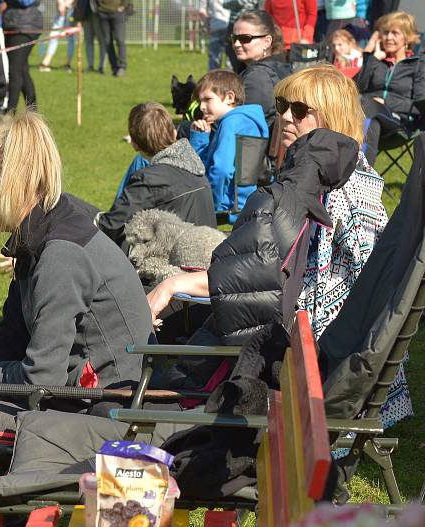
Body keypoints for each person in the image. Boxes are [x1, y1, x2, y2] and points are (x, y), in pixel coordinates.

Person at [0, 110, 154, 527]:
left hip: (115, 414)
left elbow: (39, 377)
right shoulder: (44, 230)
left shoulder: (59, 254)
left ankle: (6, 520)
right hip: (88, 396)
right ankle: (11, 512)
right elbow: (13, 329)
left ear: (14, 185)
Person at [147, 65, 389, 387]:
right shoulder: (327, 176)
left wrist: (174, 283)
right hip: (285, 336)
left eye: (300, 110)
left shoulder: (340, 191)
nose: (287, 117)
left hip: (298, 358)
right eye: (282, 106)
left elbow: (281, 284)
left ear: (332, 116)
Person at [96, 102, 216, 252]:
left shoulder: (149, 180)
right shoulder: (196, 169)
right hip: (205, 259)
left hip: (172, 267)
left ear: (134, 144)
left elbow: (111, 226)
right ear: (174, 133)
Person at [189, 69, 269, 221]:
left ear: (229, 97)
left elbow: (222, 169)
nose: (201, 107)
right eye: (200, 101)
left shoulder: (230, 123)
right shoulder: (247, 120)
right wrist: (200, 138)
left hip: (229, 207)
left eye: (207, 99)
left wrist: (210, 206)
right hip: (246, 203)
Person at [355, 11, 425, 163]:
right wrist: (371, 57)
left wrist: (384, 103)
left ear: (407, 37)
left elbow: (419, 105)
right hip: (369, 117)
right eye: (385, 33)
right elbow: (356, 88)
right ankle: (363, 177)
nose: (388, 37)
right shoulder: (377, 63)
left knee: (369, 106)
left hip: (400, 123)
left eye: (395, 33)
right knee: (371, 116)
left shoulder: (418, 65)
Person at [231, 10, 293, 130]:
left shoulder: (258, 76)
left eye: (245, 38)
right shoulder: (279, 65)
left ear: (267, 41)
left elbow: (243, 124)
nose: (237, 44)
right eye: (234, 38)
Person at [1, 0, 42, 112]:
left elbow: (25, 1)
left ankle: (10, 113)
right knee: (22, 70)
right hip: (14, 25)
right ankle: (33, 112)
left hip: (23, 27)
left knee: (14, 70)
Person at [96, 0, 132, 76]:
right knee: (107, 41)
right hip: (103, 13)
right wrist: (98, 8)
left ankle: (122, 66)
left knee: (120, 40)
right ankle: (114, 67)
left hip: (117, 13)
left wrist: (123, 6)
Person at [38, 0, 75, 71]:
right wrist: (61, 3)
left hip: (71, 11)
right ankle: (45, 63)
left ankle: (68, 64)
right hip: (60, 11)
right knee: (53, 36)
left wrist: (67, 3)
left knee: (70, 37)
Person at [75, 0, 106, 72]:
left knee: (102, 41)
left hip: (98, 14)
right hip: (85, 14)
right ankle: (90, 65)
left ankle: (101, 67)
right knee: (88, 41)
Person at [207, 0, 232, 70]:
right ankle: (230, 78)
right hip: (229, 24)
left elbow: (202, 12)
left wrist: (207, 26)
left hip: (215, 26)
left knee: (214, 57)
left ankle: (213, 78)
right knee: (230, 57)